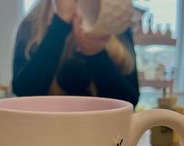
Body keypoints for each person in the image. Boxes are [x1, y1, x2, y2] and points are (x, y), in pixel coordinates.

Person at [12, 0, 140, 107]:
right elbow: (24, 93)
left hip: (104, 132)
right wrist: (60, 24)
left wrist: (96, 54)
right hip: (46, 130)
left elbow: (129, 102)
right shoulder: (31, 24)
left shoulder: (115, 21)